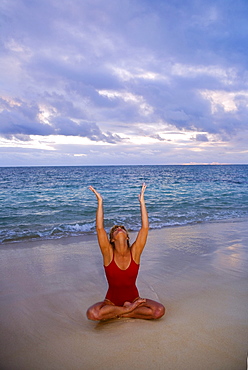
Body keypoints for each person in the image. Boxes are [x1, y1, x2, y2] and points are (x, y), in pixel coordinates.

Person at [86, 183, 165, 321]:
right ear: (111, 239)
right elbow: (99, 228)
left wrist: (142, 202)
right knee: (92, 314)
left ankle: (120, 312)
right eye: (115, 229)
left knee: (159, 311)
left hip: (134, 298)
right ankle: (127, 310)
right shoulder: (108, 254)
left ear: (127, 236)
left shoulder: (135, 252)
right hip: (111, 302)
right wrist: (100, 201)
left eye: (122, 228)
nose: (119, 228)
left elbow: (145, 228)